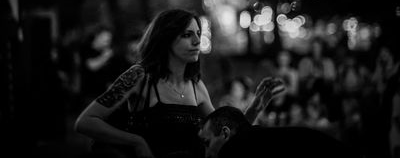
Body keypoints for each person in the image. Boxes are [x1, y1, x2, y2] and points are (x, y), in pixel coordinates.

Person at [74, 9, 285, 158]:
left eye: (198, 34)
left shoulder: (197, 86)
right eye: (187, 35)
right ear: (166, 39)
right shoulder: (139, 76)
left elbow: (223, 134)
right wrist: (137, 142)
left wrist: (256, 106)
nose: (196, 41)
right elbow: (85, 121)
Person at [198, 106, 362, 158]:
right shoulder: (256, 137)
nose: (206, 154)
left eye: (207, 143)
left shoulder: (236, 147)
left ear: (226, 134)